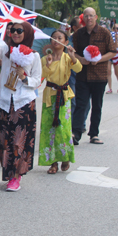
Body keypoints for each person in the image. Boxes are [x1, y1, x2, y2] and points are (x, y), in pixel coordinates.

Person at [0, 22, 41, 191]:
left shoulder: (34, 56)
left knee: (18, 142)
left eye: (19, 31)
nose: (15, 33)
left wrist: (24, 78)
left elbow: (37, 79)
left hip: (23, 102)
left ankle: (16, 177)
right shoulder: (4, 49)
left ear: (27, 33)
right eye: (12, 30)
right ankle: (8, 172)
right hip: (5, 101)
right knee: (3, 140)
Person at [71, 7, 116, 145]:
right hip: (82, 75)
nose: (89, 18)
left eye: (91, 15)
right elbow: (73, 52)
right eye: (86, 16)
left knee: (97, 105)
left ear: (96, 17)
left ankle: (94, 134)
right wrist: (80, 59)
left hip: (99, 75)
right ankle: (76, 133)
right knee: (81, 105)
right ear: (82, 18)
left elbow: (112, 51)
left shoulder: (104, 32)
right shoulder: (78, 34)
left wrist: (99, 59)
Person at [39, 30, 82, 174]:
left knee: (63, 129)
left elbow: (78, 68)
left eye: (60, 38)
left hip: (63, 96)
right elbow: (41, 76)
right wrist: (48, 65)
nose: (56, 40)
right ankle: (53, 162)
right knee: (49, 129)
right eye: (54, 38)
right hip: (49, 97)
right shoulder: (46, 58)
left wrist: (73, 57)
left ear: (65, 42)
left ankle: (65, 157)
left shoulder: (67, 57)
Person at [106, 23, 118, 94]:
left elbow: (116, 46)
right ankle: (110, 88)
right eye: (114, 28)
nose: (116, 30)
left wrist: (116, 39)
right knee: (108, 71)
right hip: (109, 55)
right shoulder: (109, 35)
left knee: (117, 73)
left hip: (117, 56)